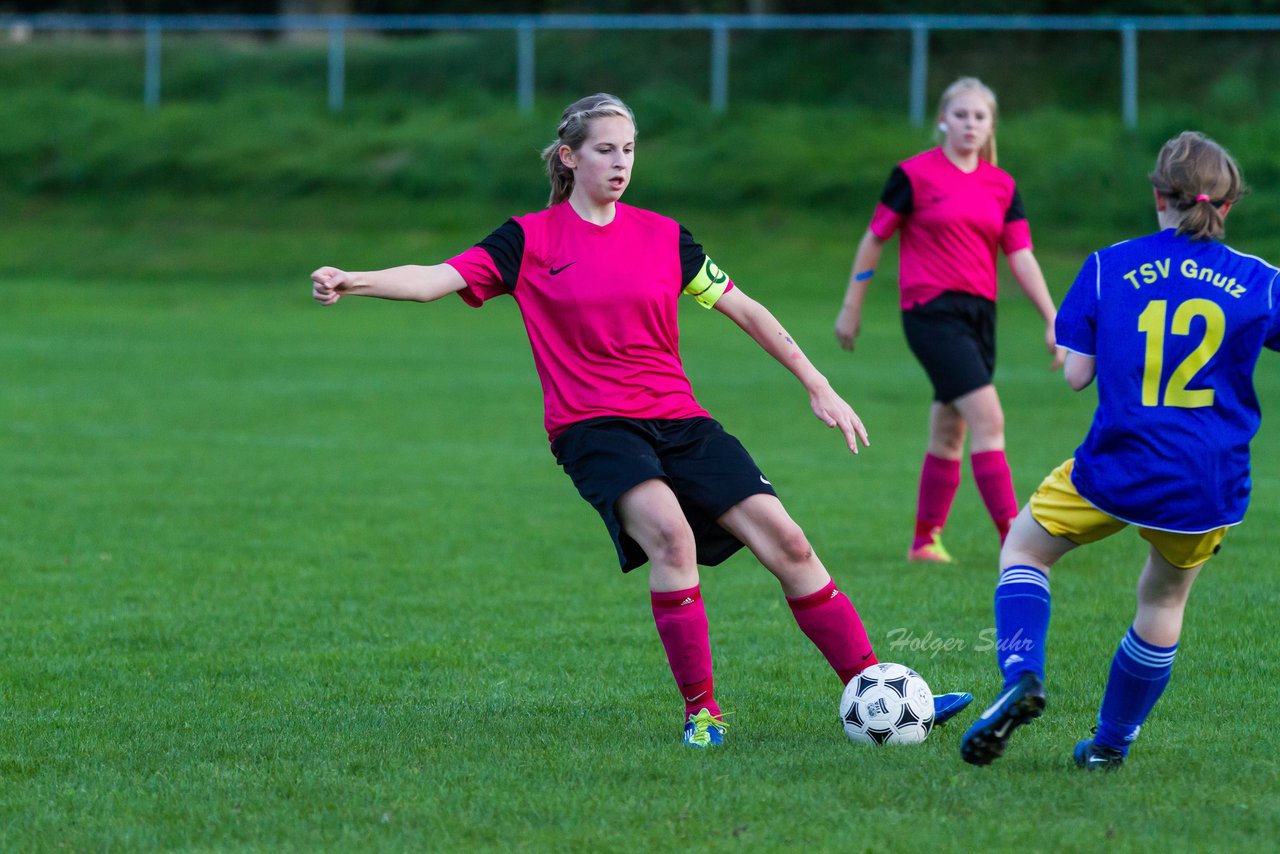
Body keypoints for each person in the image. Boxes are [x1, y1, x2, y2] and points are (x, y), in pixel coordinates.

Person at [311, 93, 971, 748]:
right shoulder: (528, 240)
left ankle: (877, 690)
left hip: (679, 419)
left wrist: (817, 383)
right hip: (592, 428)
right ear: (569, 157)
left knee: (791, 543)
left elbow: (748, 310)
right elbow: (433, 279)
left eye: (628, 150)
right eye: (604, 150)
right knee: (671, 535)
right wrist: (353, 279)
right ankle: (702, 714)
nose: (620, 162)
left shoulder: (664, 236)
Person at [959, 131, 1277, 770]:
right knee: (1162, 600)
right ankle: (1108, 746)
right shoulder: (1262, 280)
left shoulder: (1109, 265)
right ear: (1228, 204)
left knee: (1024, 547)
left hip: (1117, 465)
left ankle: (1021, 672)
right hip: (1207, 480)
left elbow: (1077, 375)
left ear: (1158, 196)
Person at [835, 77, 1062, 563]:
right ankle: (1015, 539)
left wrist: (1052, 317)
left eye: (979, 117)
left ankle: (924, 541)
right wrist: (853, 305)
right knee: (989, 417)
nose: (969, 125)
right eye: (961, 115)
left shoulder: (1002, 186)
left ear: (990, 126)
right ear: (942, 119)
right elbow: (873, 239)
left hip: (980, 314)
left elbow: (1021, 255)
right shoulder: (913, 175)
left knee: (949, 428)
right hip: (929, 312)